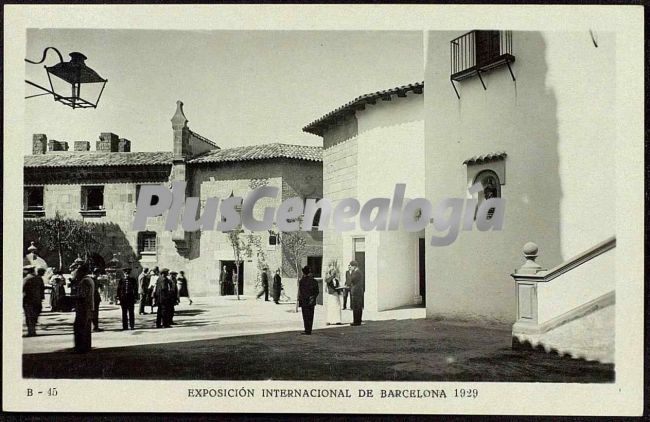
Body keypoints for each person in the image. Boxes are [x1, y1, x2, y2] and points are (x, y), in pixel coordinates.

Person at [70, 262, 94, 353]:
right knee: (86, 327)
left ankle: (80, 347)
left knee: (80, 326)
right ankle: (86, 346)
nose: (76, 275)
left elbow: (82, 296)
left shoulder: (84, 281)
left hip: (83, 307)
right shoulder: (89, 279)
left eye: (77, 272)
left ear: (81, 272)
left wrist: (70, 299)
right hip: (88, 306)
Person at [23, 265, 45, 337]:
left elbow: (23, 289)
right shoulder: (39, 278)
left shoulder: (26, 279)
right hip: (37, 300)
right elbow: (42, 289)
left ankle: (31, 331)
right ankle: (33, 330)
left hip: (28, 300)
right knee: (34, 316)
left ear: (27, 271)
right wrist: (41, 298)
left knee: (29, 316)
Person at [297, 265, 319, 335]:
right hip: (311, 300)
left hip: (304, 301)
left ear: (304, 273)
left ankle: (307, 330)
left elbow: (301, 292)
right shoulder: (314, 281)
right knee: (311, 316)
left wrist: (300, 300)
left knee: (305, 316)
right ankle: (309, 330)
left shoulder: (302, 281)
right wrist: (313, 297)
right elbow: (317, 291)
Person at [348, 260, 365, 326]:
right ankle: (358, 320)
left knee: (356, 307)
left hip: (356, 291)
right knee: (358, 306)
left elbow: (351, 280)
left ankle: (356, 321)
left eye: (351, 266)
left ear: (354, 266)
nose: (350, 268)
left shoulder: (356, 272)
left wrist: (351, 273)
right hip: (358, 291)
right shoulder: (359, 272)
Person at [91, 268, 103, 332]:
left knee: (95, 313)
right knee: (94, 313)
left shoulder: (95, 280)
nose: (98, 274)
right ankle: (94, 327)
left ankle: (96, 326)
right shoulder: (92, 280)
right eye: (98, 273)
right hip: (93, 298)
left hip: (95, 297)